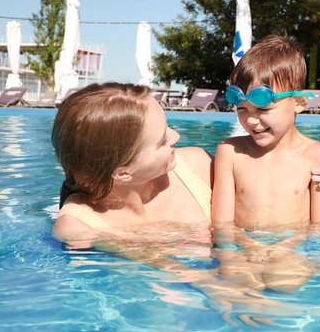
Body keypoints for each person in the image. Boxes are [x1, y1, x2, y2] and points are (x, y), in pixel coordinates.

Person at [51, 82, 275, 311]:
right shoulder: (78, 226)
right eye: (162, 141)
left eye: (168, 127)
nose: (176, 136)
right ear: (123, 173)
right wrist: (210, 284)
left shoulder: (199, 167)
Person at [211, 34, 320, 290]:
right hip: (243, 247)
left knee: (284, 283)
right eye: (242, 110)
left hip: (293, 248)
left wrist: (283, 248)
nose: (252, 121)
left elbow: (319, 227)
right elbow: (221, 224)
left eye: (263, 110)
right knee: (236, 281)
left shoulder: (317, 154)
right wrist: (246, 247)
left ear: (299, 103)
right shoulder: (230, 152)